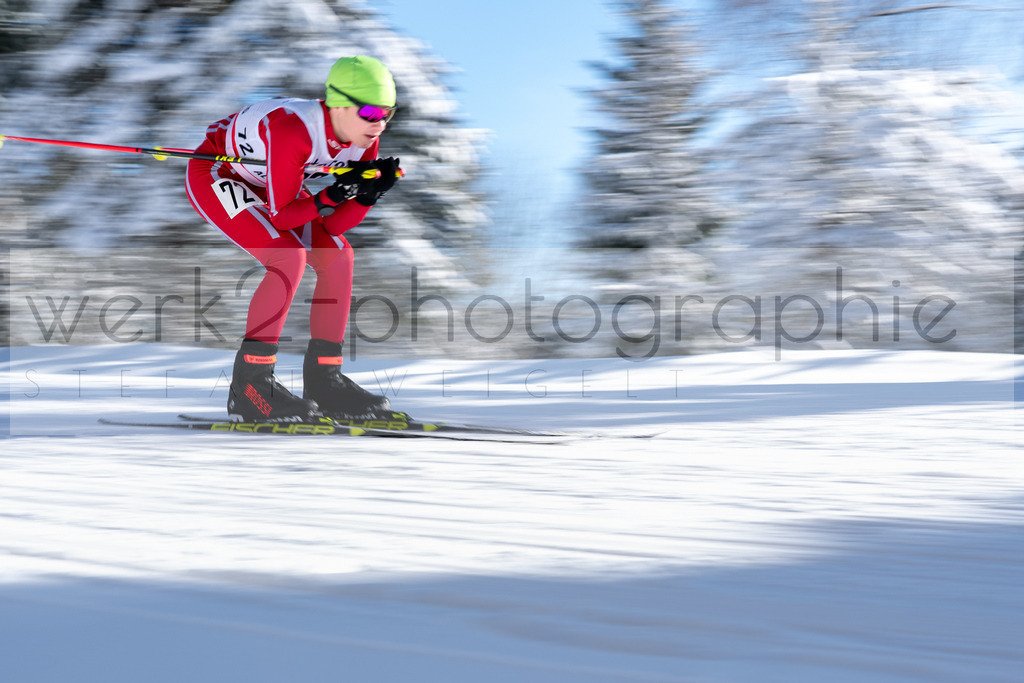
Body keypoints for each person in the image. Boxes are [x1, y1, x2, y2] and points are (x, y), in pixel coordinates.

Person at [185, 55, 402, 422]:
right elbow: (283, 215)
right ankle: (250, 386)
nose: (379, 123)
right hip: (219, 173)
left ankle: (324, 382)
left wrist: (368, 193)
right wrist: (332, 195)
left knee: (338, 256)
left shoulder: (365, 140)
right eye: (369, 112)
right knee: (288, 256)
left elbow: (333, 229)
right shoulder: (294, 130)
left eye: (387, 113)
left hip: (274, 187)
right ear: (339, 104)